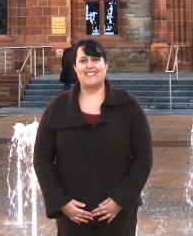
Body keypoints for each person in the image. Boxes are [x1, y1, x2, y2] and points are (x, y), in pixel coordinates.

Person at [34, 39, 153, 235]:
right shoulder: (58, 107)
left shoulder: (128, 105)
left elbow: (143, 158)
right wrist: (60, 202)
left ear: (106, 65)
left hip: (117, 216)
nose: (90, 65)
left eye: (96, 59)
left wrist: (121, 199)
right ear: (74, 67)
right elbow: (42, 159)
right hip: (73, 216)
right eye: (83, 60)